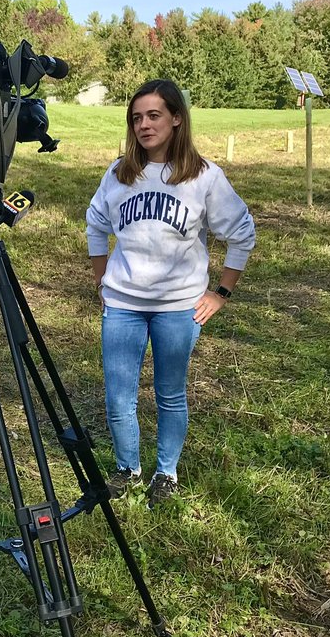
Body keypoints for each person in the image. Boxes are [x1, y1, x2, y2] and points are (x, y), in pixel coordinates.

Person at [85, 78, 256, 509]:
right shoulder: (119, 172)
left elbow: (242, 233)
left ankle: (166, 472)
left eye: (154, 115)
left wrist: (220, 293)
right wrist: (102, 279)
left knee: (169, 393)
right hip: (123, 305)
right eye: (137, 117)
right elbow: (95, 225)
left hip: (178, 309)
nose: (144, 125)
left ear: (177, 119)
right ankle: (128, 468)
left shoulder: (203, 177)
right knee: (118, 394)